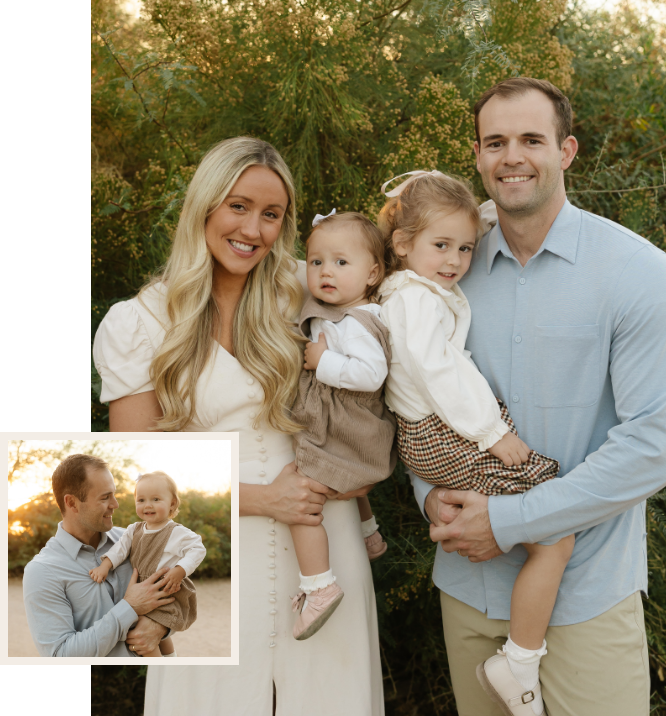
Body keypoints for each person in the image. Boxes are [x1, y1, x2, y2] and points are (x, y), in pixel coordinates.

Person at [93, 137, 384, 714]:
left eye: (271, 215)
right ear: (205, 204)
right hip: (220, 554)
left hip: (326, 549)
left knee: (333, 699)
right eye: (239, 206)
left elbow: (408, 309)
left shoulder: (307, 290)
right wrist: (262, 499)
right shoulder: (142, 321)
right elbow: (141, 466)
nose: (253, 228)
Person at [414, 77, 665, 716]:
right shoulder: (445, 269)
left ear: (567, 150)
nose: (512, 157)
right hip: (469, 588)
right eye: (495, 142)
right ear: (476, 156)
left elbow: (653, 443)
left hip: (587, 595)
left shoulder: (638, 273)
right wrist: (430, 498)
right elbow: (410, 394)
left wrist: (510, 521)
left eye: (531, 139)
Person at [377, 169, 573, 715]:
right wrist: (495, 434)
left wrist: (487, 209)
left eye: (465, 248)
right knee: (555, 533)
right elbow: (442, 373)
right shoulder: (416, 302)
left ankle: (520, 659)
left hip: (441, 430)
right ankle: (519, 663)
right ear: (402, 244)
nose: (456, 261)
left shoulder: (415, 286)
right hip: (445, 432)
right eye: (441, 246)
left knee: (549, 527)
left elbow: (469, 222)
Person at [289, 210, 396, 640]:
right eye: (316, 262)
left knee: (300, 495)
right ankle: (369, 534)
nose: (325, 272)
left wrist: (322, 362)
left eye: (340, 263)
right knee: (340, 469)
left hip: (347, 426)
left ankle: (318, 585)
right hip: (350, 433)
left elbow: (371, 374)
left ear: (372, 274)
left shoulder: (354, 323)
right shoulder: (343, 311)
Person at [23, 453, 178, 657]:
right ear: (72, 503)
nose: (115, 504)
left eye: (113, 494)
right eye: (105, 497)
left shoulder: (135, 539)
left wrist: (161, 627)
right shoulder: (42, 571)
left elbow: (177, 599)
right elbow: (61, 655)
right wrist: (129, 607)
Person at [89, 471, 206, 657]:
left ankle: (161, 666)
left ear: (172, 503)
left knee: (141, 631)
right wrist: (105, 566)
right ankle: (170, 659)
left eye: (156, 499)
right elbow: (119, 550)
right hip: (141, 587)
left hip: (166, 588)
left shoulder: (176, 532)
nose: (147, 505)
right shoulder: (133, 530)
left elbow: (198, 549)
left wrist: (180, 570)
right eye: (141, 500)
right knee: (153, 629)